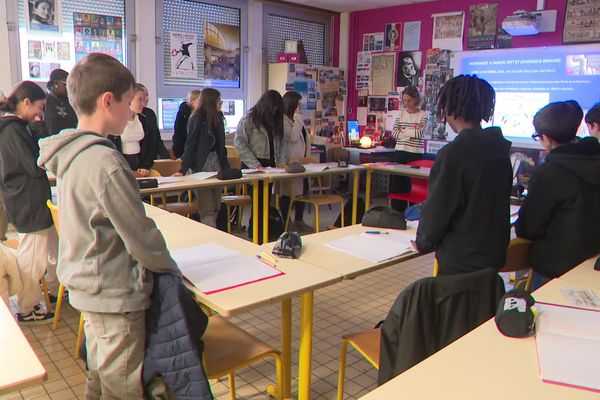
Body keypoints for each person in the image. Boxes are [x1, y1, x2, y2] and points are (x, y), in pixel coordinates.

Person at [37, 53, 181, 399]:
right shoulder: (105, 161)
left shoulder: (71, 152)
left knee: (100, 375)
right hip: (114, 291)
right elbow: (139, 234)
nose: (132, 110)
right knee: (123, 386)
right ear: (107, 101)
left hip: (89, 283)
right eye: (128, 102)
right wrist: (170, 269)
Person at [414, 75, 513, 276]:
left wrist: (423, 242)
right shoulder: (499, 149)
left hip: (461, 259)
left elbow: (439, 208)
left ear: (448, 109)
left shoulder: (453, 153)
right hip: (492, 254)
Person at [515, 101, 600, 287]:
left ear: (547, 139)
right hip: (591, 265)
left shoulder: (551, 172)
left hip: (554, 270)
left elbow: (528, 228)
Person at [0, 81, 58, 323]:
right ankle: (26, 307)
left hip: (27, 198)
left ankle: (53, 291)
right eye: (39, 107)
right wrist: (41, 132)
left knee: (51, 249)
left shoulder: (15, 127)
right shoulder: (12, 130)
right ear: (26, 103)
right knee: (32, 257)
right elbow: (35, 165)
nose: (40, 113)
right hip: (27, 201)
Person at [234, 89, 288, 243]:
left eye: (277, 109)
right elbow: (240, 143)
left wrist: (281, 160)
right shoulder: (249, 120)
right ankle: (258, 234)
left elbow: (282, 142)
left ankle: (259, 231)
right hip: (253, 165)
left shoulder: (277, 119)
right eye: (273, 108)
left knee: (266, 200)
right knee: (259, 200)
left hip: (271, 165)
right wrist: (256, 165)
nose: (275, 111)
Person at [173, 88, 229, 227]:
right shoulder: (196, 119)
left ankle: (217, 235)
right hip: (201, 167)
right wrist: (183, 169)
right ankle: (213, 240)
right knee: (207, 208)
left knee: (216, 204)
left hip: (217, 166)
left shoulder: (218, 118)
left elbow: (221, 147)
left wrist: (226, 168)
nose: (220, 104)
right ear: (211, 102)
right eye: (218, 101)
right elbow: (190, 145)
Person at [389, 86, 429, 211]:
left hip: (415, 154)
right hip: (400, 152)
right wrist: (412, 130)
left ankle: (413, 215)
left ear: (416, 99)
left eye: (409, 100)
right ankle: (397, 214)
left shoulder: (424, 114)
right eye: (404, 100)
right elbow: (394, 133)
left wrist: (403, 131)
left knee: (413, 185)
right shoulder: (400, 114)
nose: (407, 103)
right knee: (398, 185)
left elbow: (420, 134)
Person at [277, 91, 311, 232]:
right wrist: (298, 117)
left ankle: (299, 219)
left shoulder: (297, 120)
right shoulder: (286, 120)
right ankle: (286, 220)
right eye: (298, 105)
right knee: (287, 193)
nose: (300, 107)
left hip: (301, 163)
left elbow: (305, 137)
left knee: (303, 191)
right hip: (289, 162)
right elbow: (292, 137)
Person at [109, 83, 158, 177]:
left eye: (145, 100)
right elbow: (111, 147)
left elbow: (151, 144)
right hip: (120, 166)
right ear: (129, 99)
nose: (143, 103)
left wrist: (146, 165)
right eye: (140, 100)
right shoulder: (115, 119)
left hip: (139, 164)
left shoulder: (143, 119)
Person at [137, 83, 170, 159]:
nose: (146, 98)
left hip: (150, 159)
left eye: (146, 95)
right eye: (141, 97)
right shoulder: (128, 116)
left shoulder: (149, 113)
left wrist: (166, 158)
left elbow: (156, 138)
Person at [44, 69, 78, 136]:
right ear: (56, 84)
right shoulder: (44, 102)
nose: (69, 88)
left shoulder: (71, 102)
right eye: (66, 84)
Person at [172, 89, 201, 158]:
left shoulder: (200, 114)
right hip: (183, 150)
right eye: (199, 100)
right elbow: (179, 132)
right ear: (192, 100)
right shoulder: (184, 113)